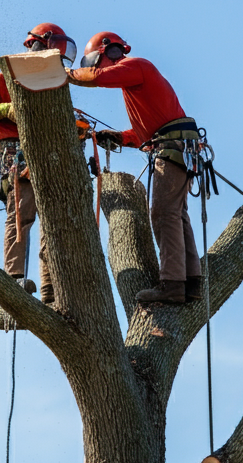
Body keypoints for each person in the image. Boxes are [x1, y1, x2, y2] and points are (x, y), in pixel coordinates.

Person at [68, 32, 202, 305]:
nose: (96, 67)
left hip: (173, 149)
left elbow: (97, 78)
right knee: (177, 215)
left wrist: (65, 73)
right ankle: (191, 283)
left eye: (95, 62)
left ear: (109, 52)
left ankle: (173, 285)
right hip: (177, 147)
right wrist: (119, 137)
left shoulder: (136, 65)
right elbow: (145, 135)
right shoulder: (135, 84)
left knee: (164, 214)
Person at [0, 22, 76, 304]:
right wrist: (5, 110)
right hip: (15, 155)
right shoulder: (1, 79)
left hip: (47, 156)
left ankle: (51, 288)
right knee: (22, 211)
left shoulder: (52, 84)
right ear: (35, 45)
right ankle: (14, 277)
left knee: (53, 221)